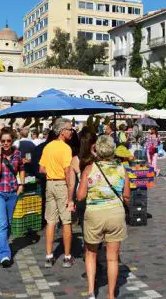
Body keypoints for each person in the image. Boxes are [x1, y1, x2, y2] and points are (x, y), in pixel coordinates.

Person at [76, 135, 130, 299]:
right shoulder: (121, 169)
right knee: (113, 259)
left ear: (97, 150)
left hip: (95, 214)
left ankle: (92, 291)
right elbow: (127, 196)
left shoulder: (89, 169)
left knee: (91, 253)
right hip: (115, 213)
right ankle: (111, 295)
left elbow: (80, 196)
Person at [40, 119, 76, 269]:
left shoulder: (48, 146)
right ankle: (67, 257)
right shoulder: (66, 148)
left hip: (50, 184)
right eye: (70, 129)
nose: (71, 131)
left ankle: (49, 256)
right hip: (61, 184)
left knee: (50, 221)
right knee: (66, 220)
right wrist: (70, 197)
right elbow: (68, 172)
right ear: (62, 131)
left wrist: (52, 173)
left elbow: (42, 169)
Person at [0, 127, 25, 268]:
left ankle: (3, 246)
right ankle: (4, 254)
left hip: (12, 193)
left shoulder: (18, 154)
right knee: (2, 224)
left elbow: (21, 168)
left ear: (12, 141)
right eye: (3, 141)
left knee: (8, 224)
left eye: (8, 140)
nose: (5, 143)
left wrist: (21, 184)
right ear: (0, 141)